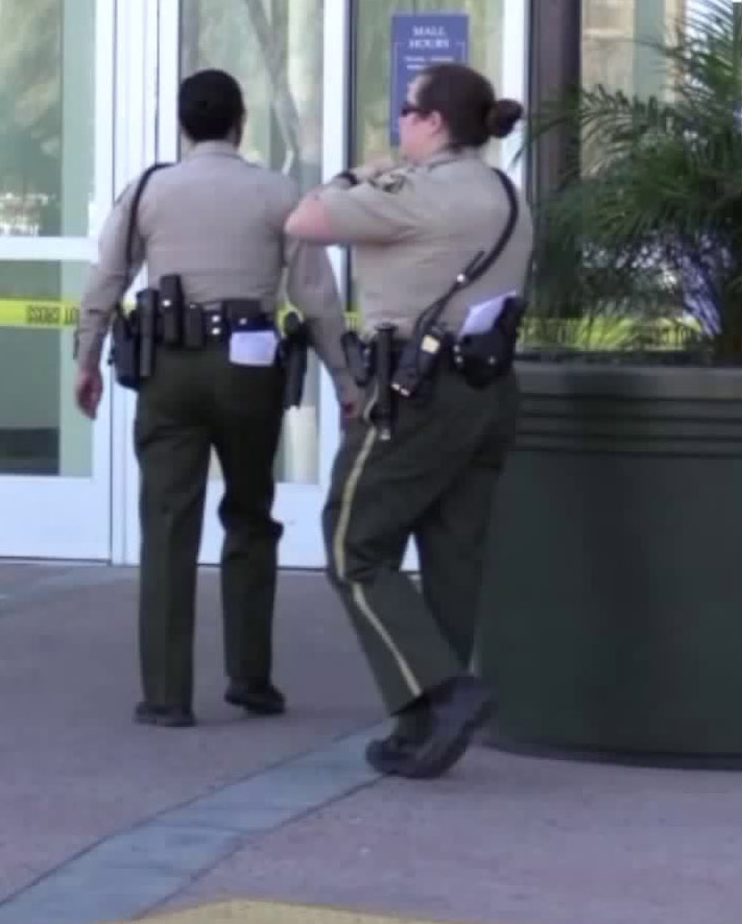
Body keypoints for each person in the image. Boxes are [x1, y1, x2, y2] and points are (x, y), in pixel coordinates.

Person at [73, 68, 359, 727]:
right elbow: (315, 296)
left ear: (184, 124)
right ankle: (250, 678)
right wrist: (347, 380)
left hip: (168, 371)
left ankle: (167, 694)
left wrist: (86, 357)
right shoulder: (277, 191)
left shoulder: (149, 189)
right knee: (251, 515)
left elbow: (105, 278)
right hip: (248, 370)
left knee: (168, 524)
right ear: (240, 123)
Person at [284, 62, 531, 777]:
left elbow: (304, 220)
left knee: (353, 547)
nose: (398, 122)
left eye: (405, 109)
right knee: (453, 558)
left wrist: (354, 175)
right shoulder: (502, 191)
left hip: (416, 393)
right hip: (486, 393)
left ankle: (443, 693)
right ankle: (424, 728)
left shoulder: (415, 193)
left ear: (432, 121)